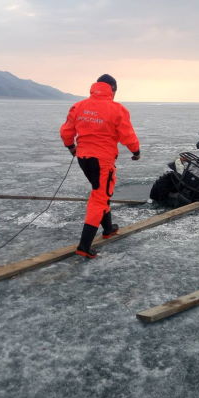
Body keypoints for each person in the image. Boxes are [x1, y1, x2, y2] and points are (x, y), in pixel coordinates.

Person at [59, 74, 141, 259]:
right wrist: (136, 151)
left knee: (101, 193)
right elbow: (127, 135)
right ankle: (84, 246)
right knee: (99, 198)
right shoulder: (117, 109)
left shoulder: (79, 106)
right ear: (112, 88)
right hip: (102, 161)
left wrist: (71, 147)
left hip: (83, 158)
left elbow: (66, 131)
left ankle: (108, 228)